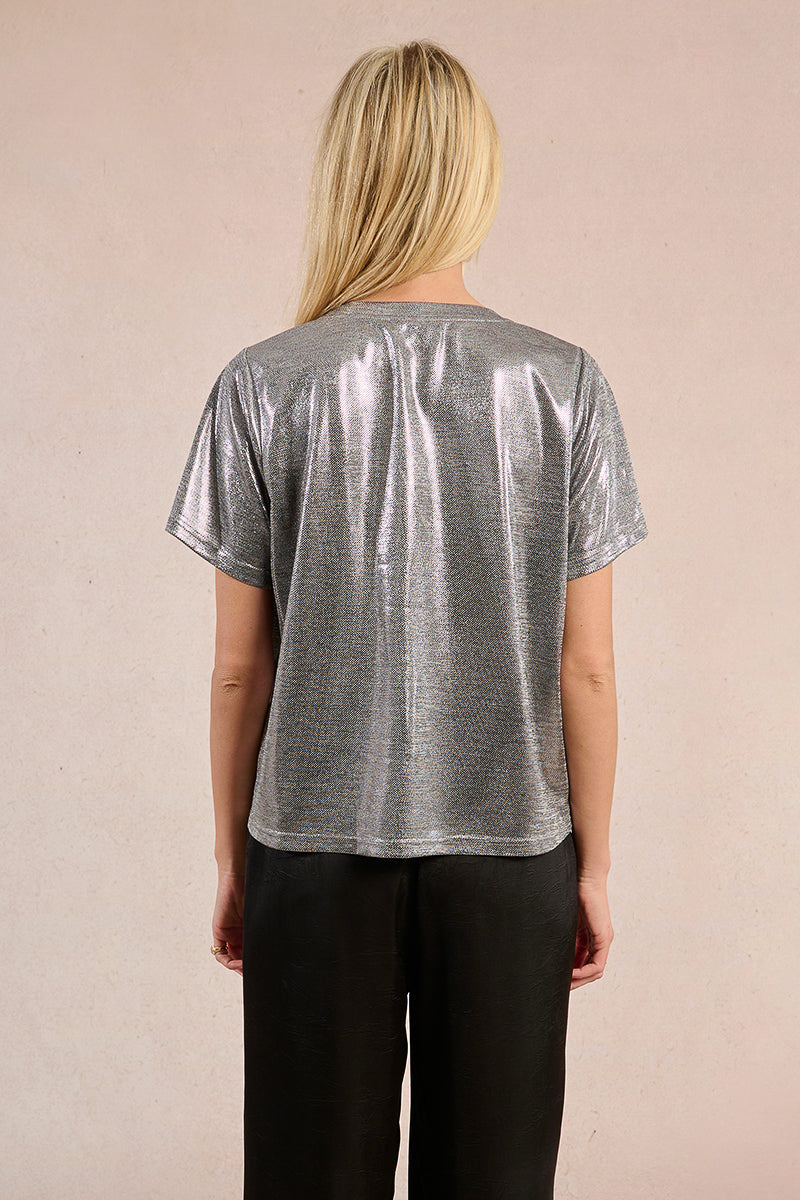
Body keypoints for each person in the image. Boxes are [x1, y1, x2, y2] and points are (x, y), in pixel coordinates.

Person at [164, 39, 648, 1200]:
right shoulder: (563, 383)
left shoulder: (263, 383)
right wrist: (590, 868)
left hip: (309, 850)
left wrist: (233, 860)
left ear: (346, 174)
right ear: (474, 175)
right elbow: (584, 670)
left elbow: (238, 671)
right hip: (512, 852)